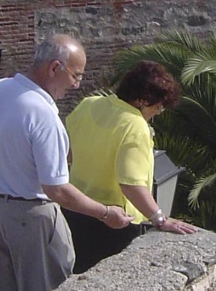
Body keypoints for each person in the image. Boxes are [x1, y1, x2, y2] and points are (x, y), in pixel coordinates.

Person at [0, 34, 133, 291]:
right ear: (55, 67)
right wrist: (106, 213)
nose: (76, 86)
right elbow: (57, 189)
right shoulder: (42, 114)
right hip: (32, 218)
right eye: (76, 76)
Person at [64, 60, 197, 273]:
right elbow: (130, 184)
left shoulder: (89, 104)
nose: (159, 112)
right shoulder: (136, 126)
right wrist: (160, 219)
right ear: (142, 100)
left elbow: (69, 154)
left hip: (74, 210)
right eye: (158, 106)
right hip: (112, 222)